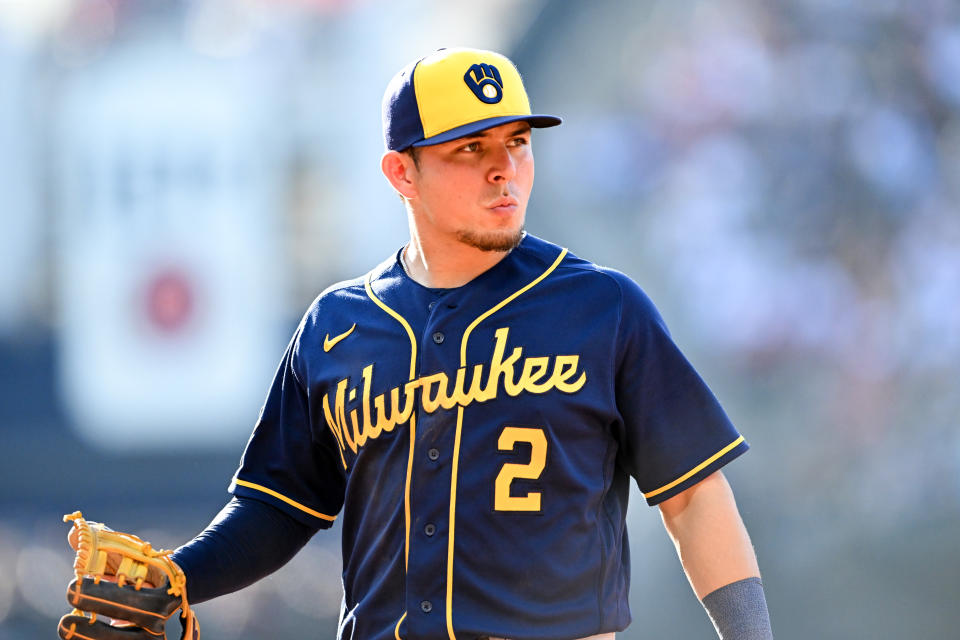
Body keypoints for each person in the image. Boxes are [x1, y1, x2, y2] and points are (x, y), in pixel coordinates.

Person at [64, 47, 773, 640]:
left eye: (518, 143)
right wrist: (179, 579)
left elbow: (695, 499)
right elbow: (277, 506)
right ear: (402, 172)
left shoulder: (603, 307)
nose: (505, 169)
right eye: (472, 149)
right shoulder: (338, 324)